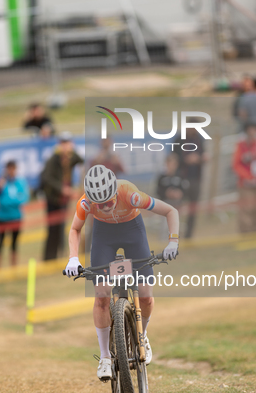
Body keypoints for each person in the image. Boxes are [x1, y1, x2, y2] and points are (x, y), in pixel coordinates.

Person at [65, 165, 180, 380]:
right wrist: (73, 258)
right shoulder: (86, 202)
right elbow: (75, 228)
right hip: (103, 236)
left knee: (145, 295)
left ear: (115, 193)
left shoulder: (130, 194)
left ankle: (142, 335)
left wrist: (173, 242)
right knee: (101, 297)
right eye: (100, 205)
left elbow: (170, 211)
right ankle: (105, 357)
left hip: (132, 231)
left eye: (109, 202)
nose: (106, 208)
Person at [41, 132, 84, 261]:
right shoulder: (53, 159)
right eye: (64, 143)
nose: (66, 146)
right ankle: (49, 258)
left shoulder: (71, 157)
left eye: (68, 143)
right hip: (53, 198)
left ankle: (62, 255)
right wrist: (62, 189)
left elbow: (82, 161)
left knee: (62, 227)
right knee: (52, 229)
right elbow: (46, 178)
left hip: (64, 199)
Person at [172, 118, 207, 238]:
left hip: (195, 178)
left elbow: (203, 155)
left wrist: (200, 159)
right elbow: (173, 159)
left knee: (193, 209)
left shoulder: (199, 140)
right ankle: (174, 233)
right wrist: (186, 160)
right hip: (182, 178)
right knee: (177, 208)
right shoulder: (179, 140)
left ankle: (189, 236)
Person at [232, 122, 256, 233]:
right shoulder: (241, 145)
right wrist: (247, 177)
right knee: (246, 209)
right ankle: (246, 233)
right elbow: (235, 164)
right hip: (245, 183)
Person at [0, 161, 30, 267]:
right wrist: (12, 200)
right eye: (9, 169)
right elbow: (0, 199)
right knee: (0, 243)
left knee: (14, 244)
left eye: (13, 169)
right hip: (2, 217)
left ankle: (13, 266)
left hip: (16, 217)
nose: (11, 171)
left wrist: (9, 201)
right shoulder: (2, 182)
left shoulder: (20, 182)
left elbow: (24, 198)